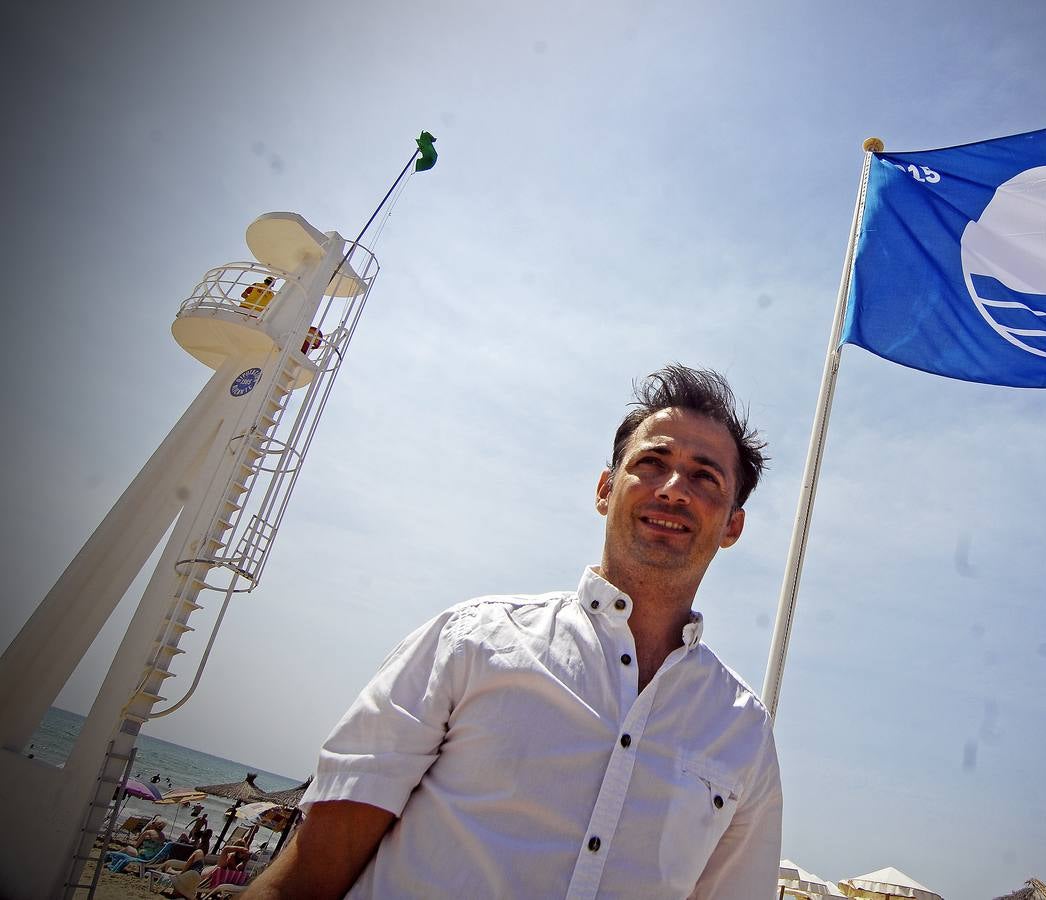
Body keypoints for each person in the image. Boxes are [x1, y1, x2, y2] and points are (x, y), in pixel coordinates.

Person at [249, 365, 783, 898]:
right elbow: (304, 879)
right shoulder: (470, 642)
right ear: (605, 489)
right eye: (652, 462)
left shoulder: (744, 733)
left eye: (704, 477)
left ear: (732, 525)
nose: (673, 490)